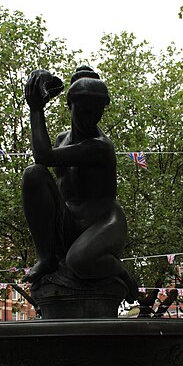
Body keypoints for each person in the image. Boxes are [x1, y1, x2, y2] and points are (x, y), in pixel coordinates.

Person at [22, 66, 137, 301]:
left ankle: (119, 271)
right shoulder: (62, 140)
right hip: (70, 219)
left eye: (96, 113)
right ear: (70, 106)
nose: (89, 118)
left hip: (104, 222)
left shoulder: (101, 147)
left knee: (79, 261)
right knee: (33, 175)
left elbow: (44, 156)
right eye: (83, 111)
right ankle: (46, 258)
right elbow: (42, 164)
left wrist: (36, 109)